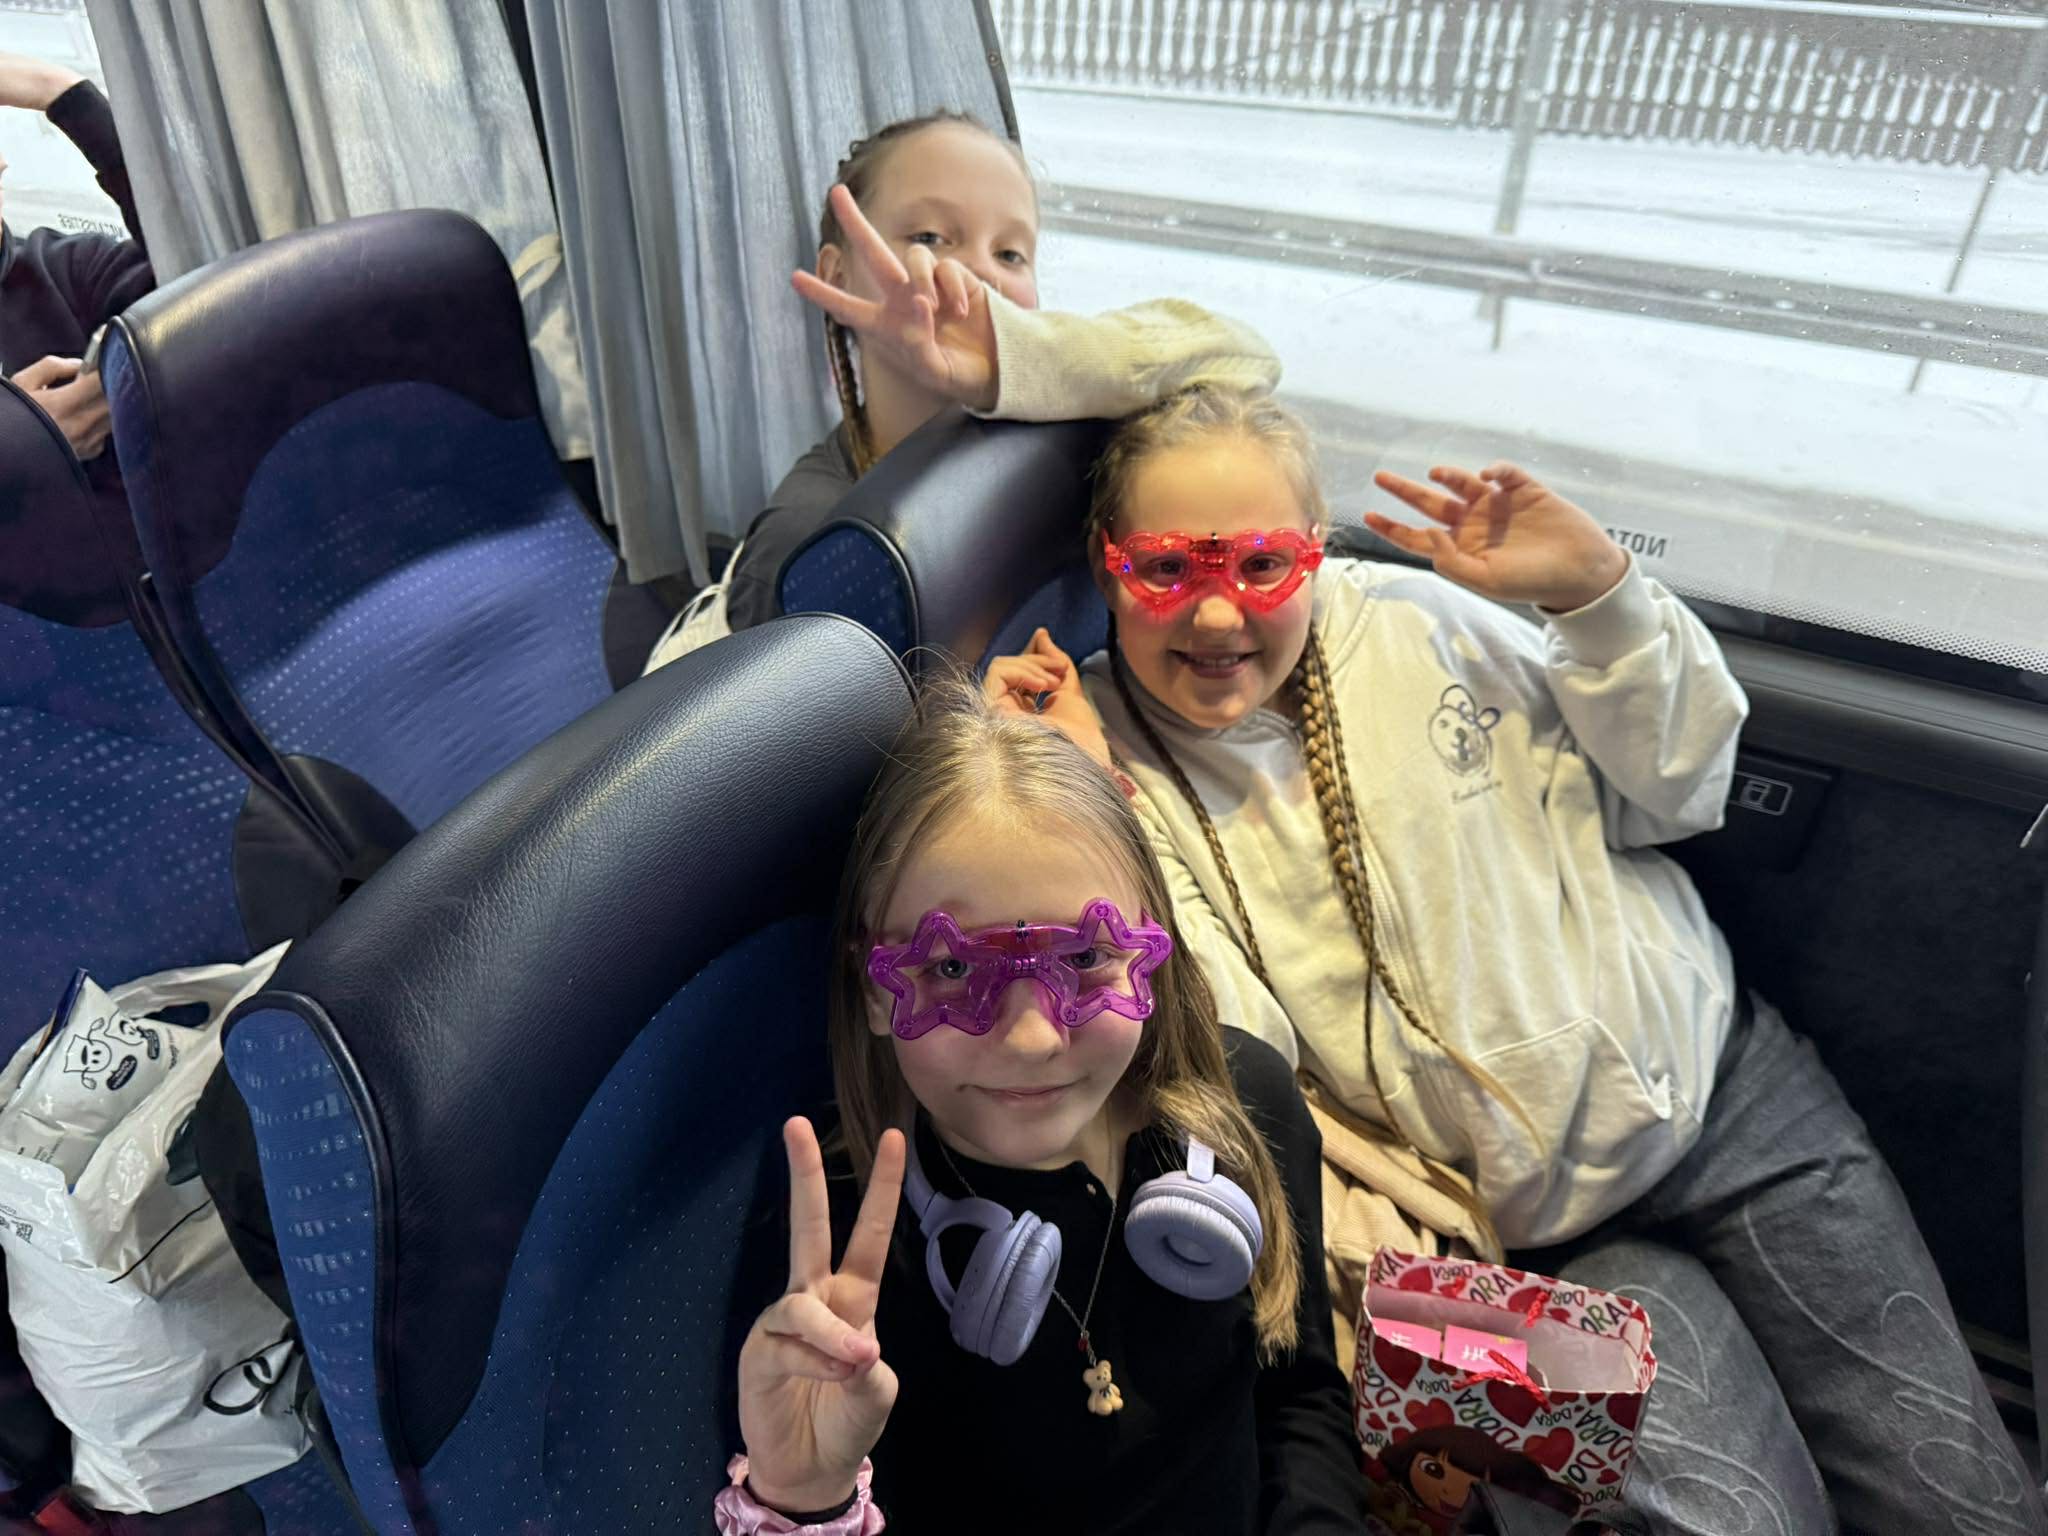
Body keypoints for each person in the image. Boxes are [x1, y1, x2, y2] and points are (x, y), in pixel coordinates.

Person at [987, 385, 2045, 1535]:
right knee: (1733, 1518)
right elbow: (1241, 1047)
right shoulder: (1102, 749)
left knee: (1958, 1492)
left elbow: (1677, 788)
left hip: (1720, 1102)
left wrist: (1598, 598)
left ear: (1313, 552)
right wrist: (1096, 807)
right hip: (1514, 1234)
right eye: (1163, 570)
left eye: (1259, 566)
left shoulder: (1418, 623)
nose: (1213, 613)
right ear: (1104, 568)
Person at [716, 679, 1375, 1534]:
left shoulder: (1247, 1106)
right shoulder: (832, 1251)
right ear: (875, 990)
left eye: (1087, 957)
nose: (1031, 1039)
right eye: (953, 968)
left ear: (1149, 955)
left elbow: (1297, 1395)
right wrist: (804, 1498)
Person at [645, 111, 1278, 667]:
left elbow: (1249, 360)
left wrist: (1017, 358)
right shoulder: (815, 541)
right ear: (838, 278)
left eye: (1011, 254)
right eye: (929, 239)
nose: (980, 273)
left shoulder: (1079, 409)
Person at [0, 49, 155, 629]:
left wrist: (62, 93)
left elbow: (209, 285)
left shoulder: (67, 269)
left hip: (169, 600)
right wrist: (20, 444)